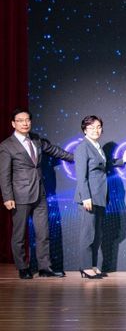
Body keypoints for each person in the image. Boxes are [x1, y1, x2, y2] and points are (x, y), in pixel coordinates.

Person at [0, 108, 74, 279]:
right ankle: (22, 267)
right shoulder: (6, 146)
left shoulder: (36, 139)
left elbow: (55, 151)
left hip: (40, 193)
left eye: (27, 120)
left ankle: (44, 268)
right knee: (19, 234)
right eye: (20, 120)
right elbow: (4, 174)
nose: (25, 123)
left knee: (43, 233)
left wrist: (78, 157)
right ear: (13, 124)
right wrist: (7, 197)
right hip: (19, 196)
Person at [74, 115, 126, 279]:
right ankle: (85, 267)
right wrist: (86, 197)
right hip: (89, 197)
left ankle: (92, 265)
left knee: (96, 234)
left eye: (98, 127)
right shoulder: (83, 147)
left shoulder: (97, 146)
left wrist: (122, 160)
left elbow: (103, 165)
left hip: (99, 196)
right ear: (85, 130)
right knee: (88, 234)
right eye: (91, 127)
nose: (95, 130)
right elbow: (81, 176)